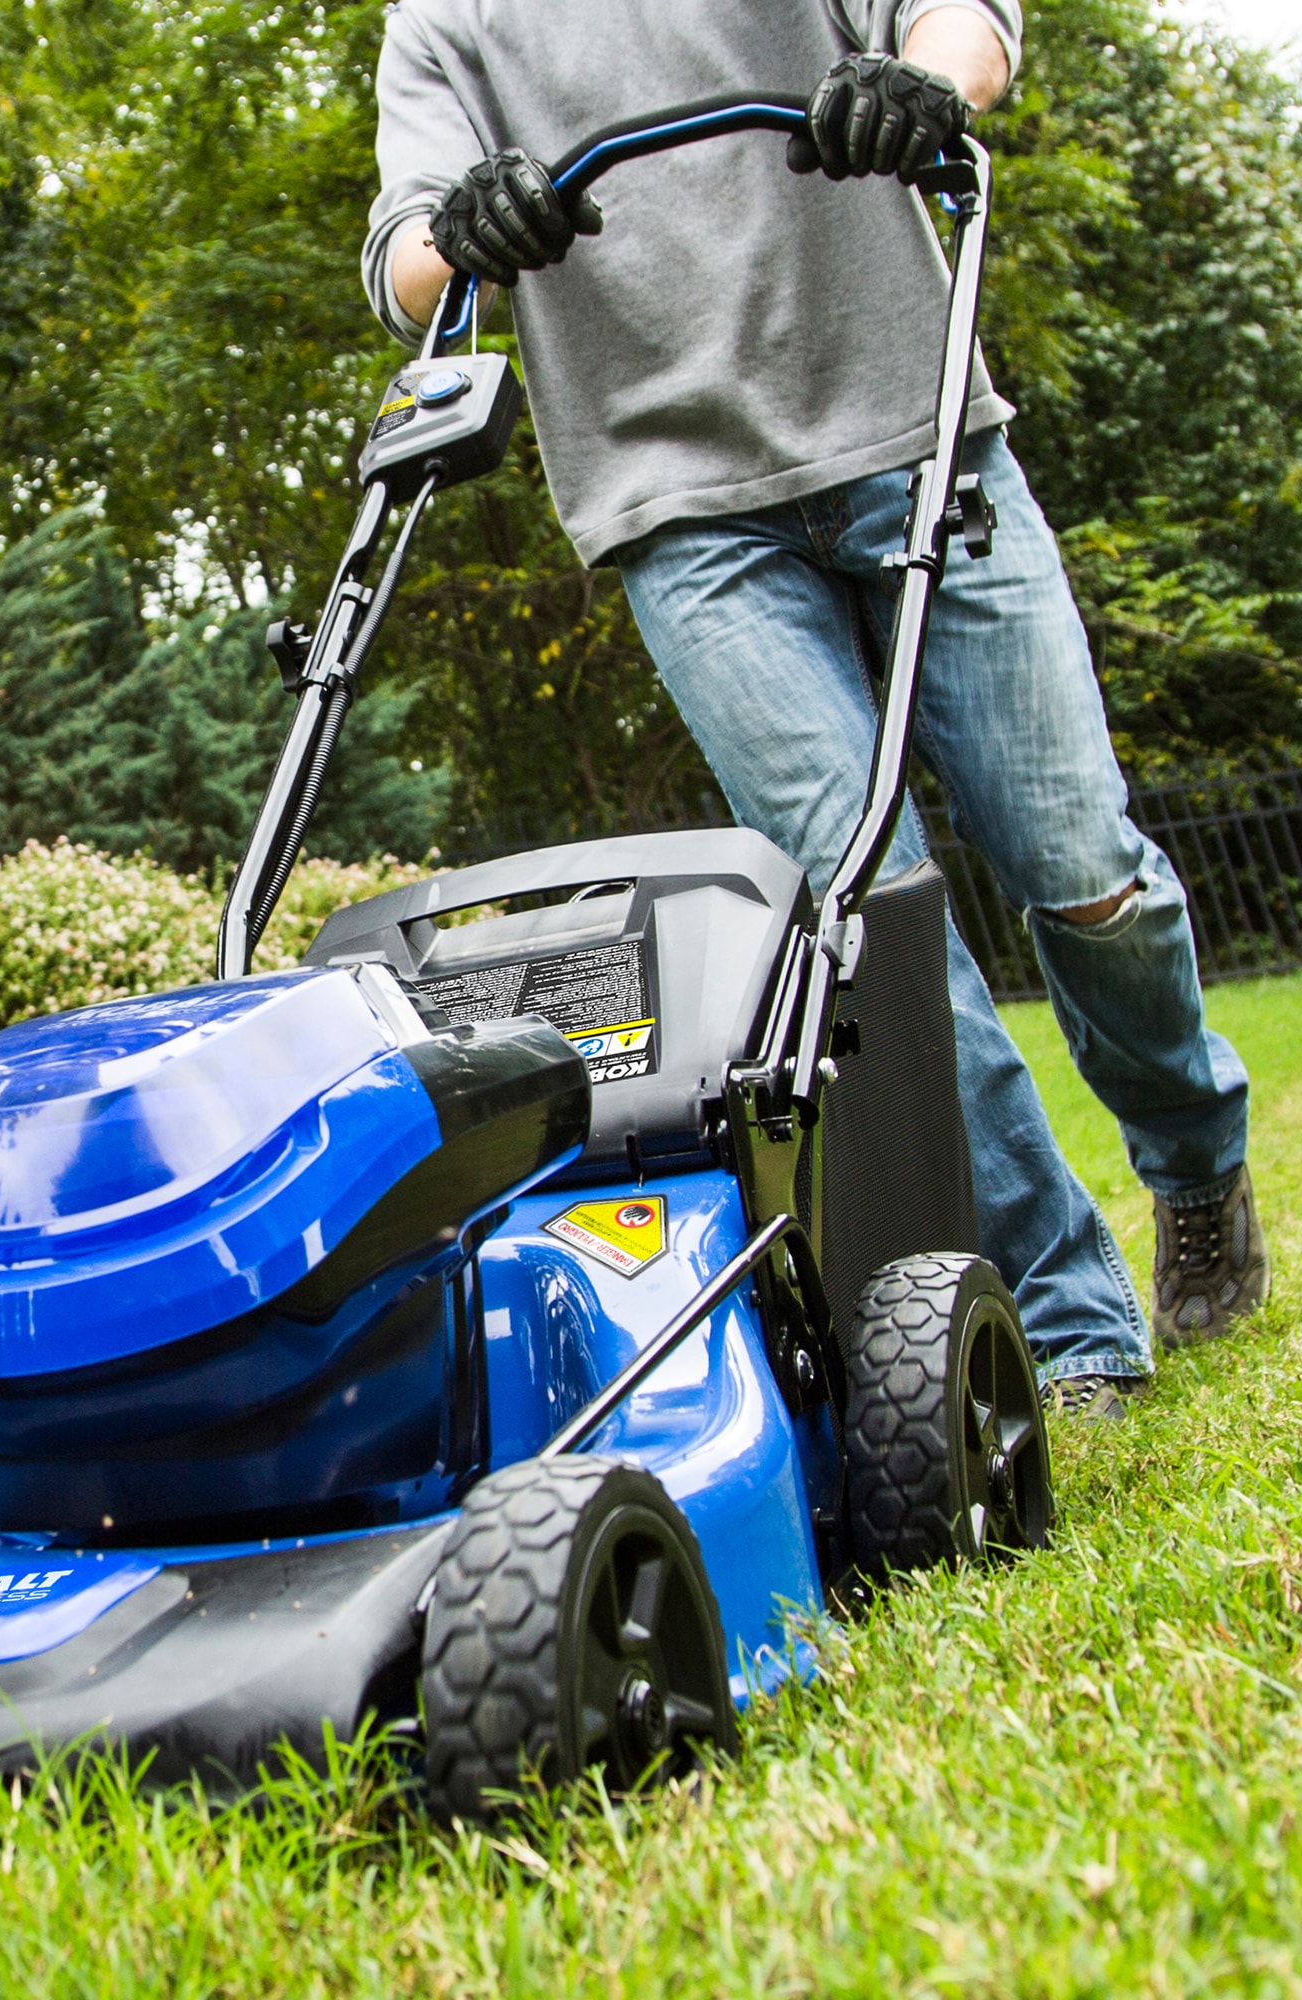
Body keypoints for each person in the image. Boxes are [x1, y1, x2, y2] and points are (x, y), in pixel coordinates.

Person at [363, 0, 1266, 1420]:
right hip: (682, 514)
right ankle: (1070, 1313)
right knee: (880, 936)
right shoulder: (448, 19)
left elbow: (959, 19)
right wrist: (462, 229)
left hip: (914, 432)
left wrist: (923, 86)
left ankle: (1196, 1154)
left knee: (1083, 865)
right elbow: (407, 255)